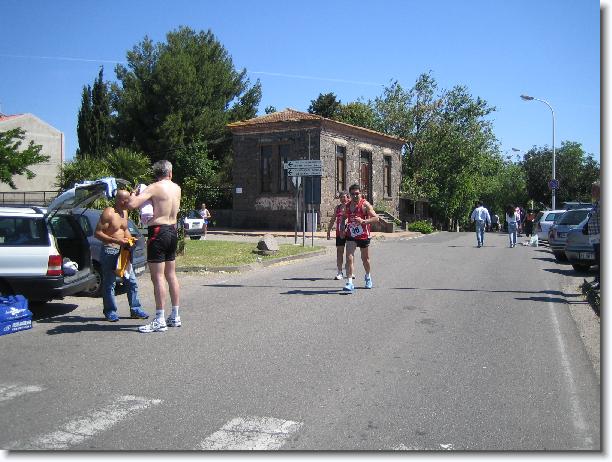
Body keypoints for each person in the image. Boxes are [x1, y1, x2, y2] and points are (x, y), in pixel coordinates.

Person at [126, 160, 182, 333]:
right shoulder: (177, 188)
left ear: (157, 173)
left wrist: (134, 192)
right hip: (172, 230)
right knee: (171, 274)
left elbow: (131, 204)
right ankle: (175, 315)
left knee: (157, 277)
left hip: (158, 231)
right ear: (170, 173)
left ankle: (159, 319)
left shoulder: (154, 187)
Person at [94, 190, 149, 322]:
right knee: (110, 283)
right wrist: (116, 241)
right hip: (110, 250)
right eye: (126, 200)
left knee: (131, 281)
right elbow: (97, 233)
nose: (129, 202)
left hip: (124, 251)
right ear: (119, 200)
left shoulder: (125, 212)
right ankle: (110, 311)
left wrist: (130, 240)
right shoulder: (109, 213)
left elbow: (124, 230)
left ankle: (135, 309)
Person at [342, 184, 379, 293]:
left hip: (363, 235)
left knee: (365, 259)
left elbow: (376, 218)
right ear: (350, 195)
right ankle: (349, 282)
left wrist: (363, 221)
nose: (355, 196)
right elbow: (344, 217)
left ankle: (368, 276)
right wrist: (342, 227)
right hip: (351, 235)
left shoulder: (365, 205)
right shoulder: (347, 206)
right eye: (352, 194)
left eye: (357, 193)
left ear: (360, 193)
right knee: (349, 257)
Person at [326, 191, 350, 280]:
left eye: (344, 197)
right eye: (341, 197)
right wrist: (328, 230)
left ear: (348, 197)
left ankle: (350, 271)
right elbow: (333, 219)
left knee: (349, 252)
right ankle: (339, 272)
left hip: (349, 232)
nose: (342, 199)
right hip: (339, 233)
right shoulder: (338, 208)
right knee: (340, 252)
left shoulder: (351, 207)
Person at [586, 180, 600, 288]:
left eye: (593, 190)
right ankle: (598, 279)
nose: (591, 192)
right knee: (598, 259)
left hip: (600, 236)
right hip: (595, 236)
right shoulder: (596, 202)